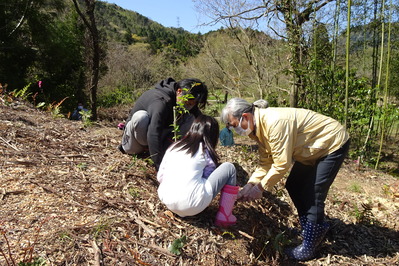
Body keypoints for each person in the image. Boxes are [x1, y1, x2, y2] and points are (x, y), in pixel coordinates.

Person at [221, 98, 350, 261]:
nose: (234, 129)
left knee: (313, 192)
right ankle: (310, 228)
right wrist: (250, 185)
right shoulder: (257, 130)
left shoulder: (275, 123)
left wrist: (259, 189)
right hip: (309, 149)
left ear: (245, 117)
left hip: (331, 143)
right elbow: (265, 164)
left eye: (234, 124)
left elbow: (282, 164)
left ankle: (310, 245)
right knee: (294, 185)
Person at [157, 115, 239, 227]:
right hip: (192, 205)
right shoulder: (204, 150)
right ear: (213, 135)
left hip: (167, 200)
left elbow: (160, 176)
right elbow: (208, 177)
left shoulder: (174, 146)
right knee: (229, 167)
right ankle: (225, 216)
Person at [119, 77, 208, 170]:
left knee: (190, 118)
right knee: (141, 117)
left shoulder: (183, 100)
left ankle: (160, 152)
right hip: (135, 143)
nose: (190, 106)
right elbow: (153, 132)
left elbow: (201, 122)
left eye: (193, 104)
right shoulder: (160, 101)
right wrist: (160, 166)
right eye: (188, 103)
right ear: (179, 91)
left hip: (155, 143)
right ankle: (152, 153)